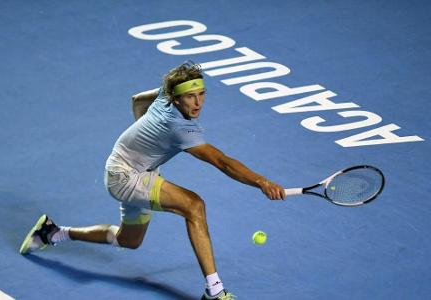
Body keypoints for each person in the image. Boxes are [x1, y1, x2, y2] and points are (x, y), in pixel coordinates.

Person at [19, 61, 285, 300]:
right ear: (176, 98)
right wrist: (262, 182)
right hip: (125, 177)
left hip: (132, 168)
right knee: (194, 206)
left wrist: (147, 141)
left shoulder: (164, 96)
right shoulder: (180, 128)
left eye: (201, 94)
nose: (198, 103)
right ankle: (214, 291)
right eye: (190, 97)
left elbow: (136, 100)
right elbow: (222, 162)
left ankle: (53, 232)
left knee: (129, 240)